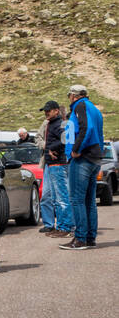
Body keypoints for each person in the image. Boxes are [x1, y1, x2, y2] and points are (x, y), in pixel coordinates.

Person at [61, 84, 104, 250]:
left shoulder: (80, 106)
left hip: (83, 158)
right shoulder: (94, 108)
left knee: (77, 199)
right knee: (89, 200)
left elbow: (86, 128)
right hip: (94, 158)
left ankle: (80, 239)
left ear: (73, 95)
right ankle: (90, 238)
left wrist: (76, 150)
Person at [38, 100, 73, 238]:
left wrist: (53, 148)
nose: (46, 113)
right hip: (52, 165)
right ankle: (60, 226)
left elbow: (66, 139)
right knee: (57, 199)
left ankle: (65, 227)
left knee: (61, 198)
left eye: (49, 110)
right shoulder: (51, 124)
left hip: (58, 164)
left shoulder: (59, 124)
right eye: (45, 110)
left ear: (56, 111)